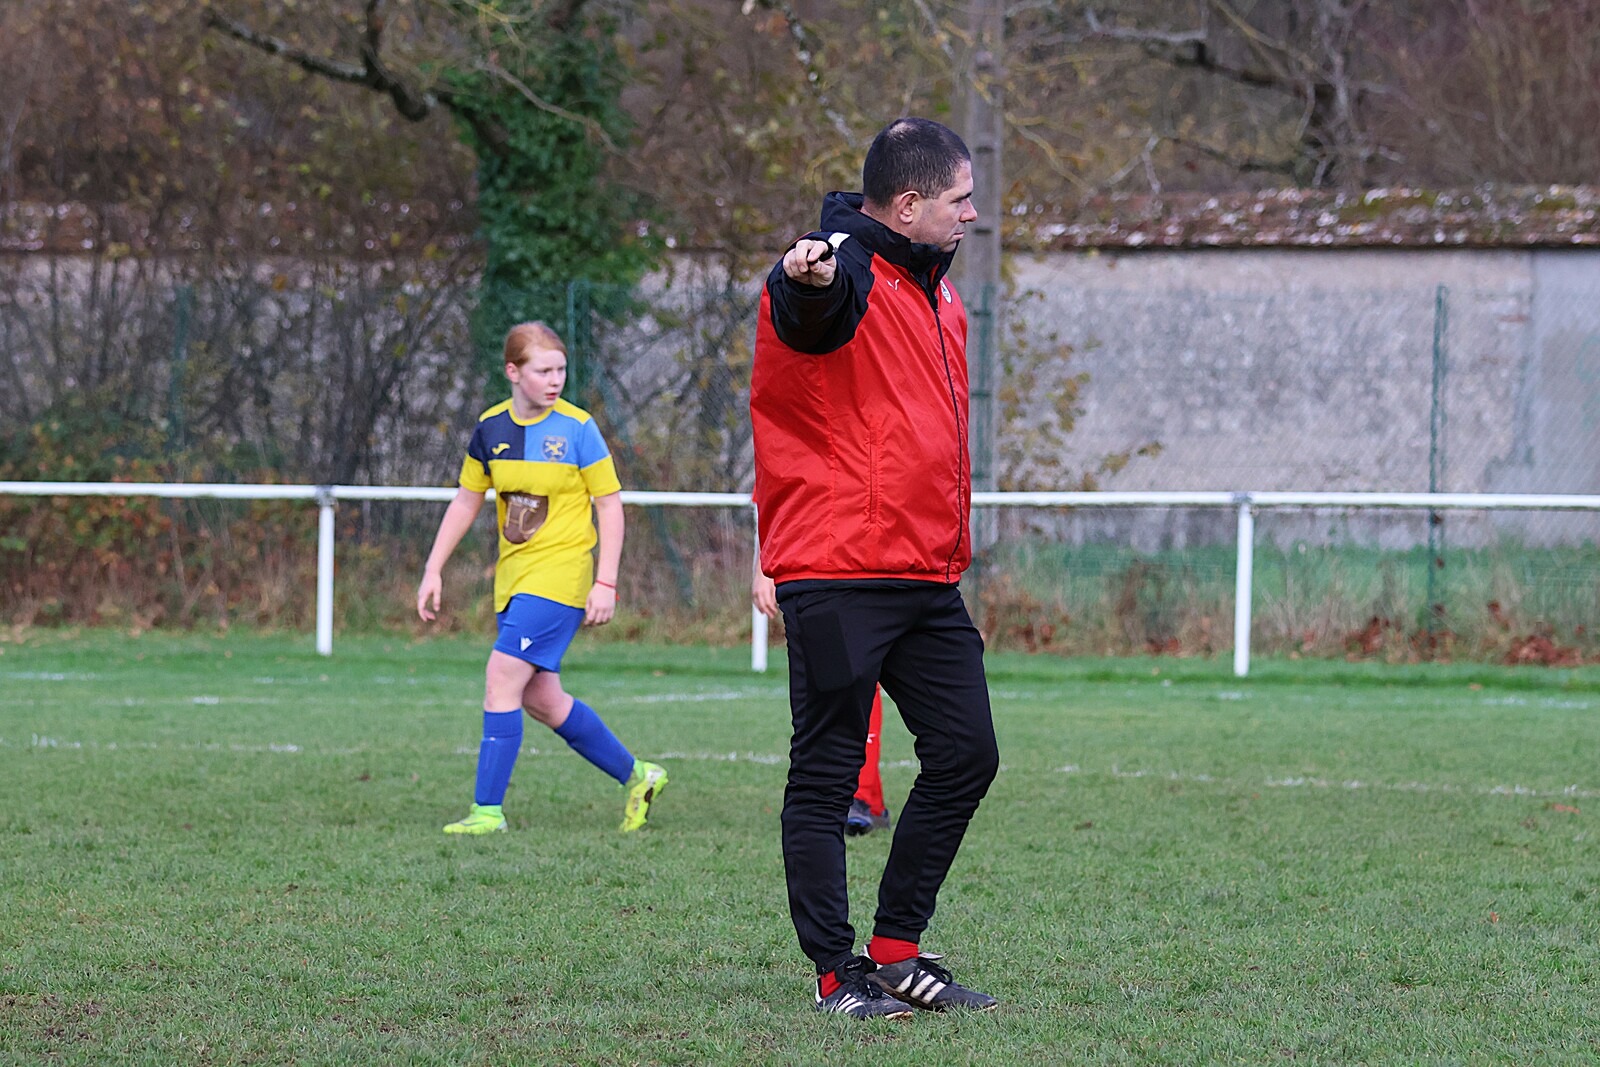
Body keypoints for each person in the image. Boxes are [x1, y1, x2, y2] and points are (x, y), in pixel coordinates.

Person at [750, 117, 1000, 1019]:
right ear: (908, 203)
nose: (971, 214)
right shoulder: (844, 271)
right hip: (839, 570)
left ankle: (896, 952)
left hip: (925, 575)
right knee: (826, 778)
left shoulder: (938, 291)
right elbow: (810, 307)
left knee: (967, 753)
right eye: (959, 199)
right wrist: (803, 278)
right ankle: (833, 971)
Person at [417, 321, 667, 835]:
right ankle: (639, 776)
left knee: (501, 676)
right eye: (543, 371)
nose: (555, 380)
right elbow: (466, 500)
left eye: (561, 370)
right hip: (514, 579)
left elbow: (610, 505)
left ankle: (488, 812)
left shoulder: (578, 428)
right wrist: (433, 567)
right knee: (541, 699)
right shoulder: (490, 428)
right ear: (513, 372)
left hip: (561, 575)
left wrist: (606, 581)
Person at [754, 569, 891, 836]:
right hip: (826, 576)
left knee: (858, 675)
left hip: (895, 578)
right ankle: (860, 798)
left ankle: (860, 797)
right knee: (844, 676)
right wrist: (764, 569)